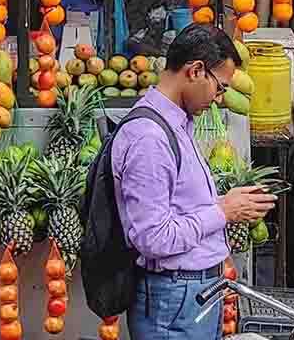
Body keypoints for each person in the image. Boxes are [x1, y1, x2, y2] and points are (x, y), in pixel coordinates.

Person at [112, 24, 277, 340]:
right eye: (220, 88)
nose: (218, 99)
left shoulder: (176, 124)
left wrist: (226, 205)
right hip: (173, 300)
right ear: (196, 71)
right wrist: (223, 212)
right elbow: (153, 238)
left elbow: (176, 211)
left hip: (190, 296)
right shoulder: (150, 139)